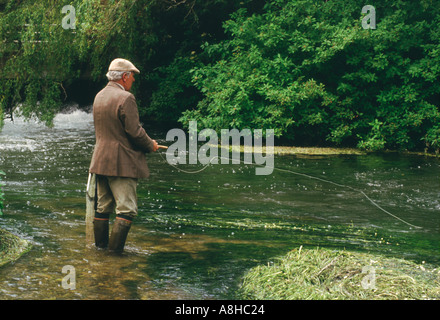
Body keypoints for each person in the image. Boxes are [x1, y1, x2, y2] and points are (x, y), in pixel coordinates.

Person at [89, 58, 159, 254]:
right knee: (126, 210)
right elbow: (135, 132)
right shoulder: (126, 98)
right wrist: (150, 145)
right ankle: (114, 256)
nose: (134, 80)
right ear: (125, 76)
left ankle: (100, 252)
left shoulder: (99, 96)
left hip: (100, 162)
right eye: (133, 76)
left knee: (103, 207)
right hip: (121, 164)